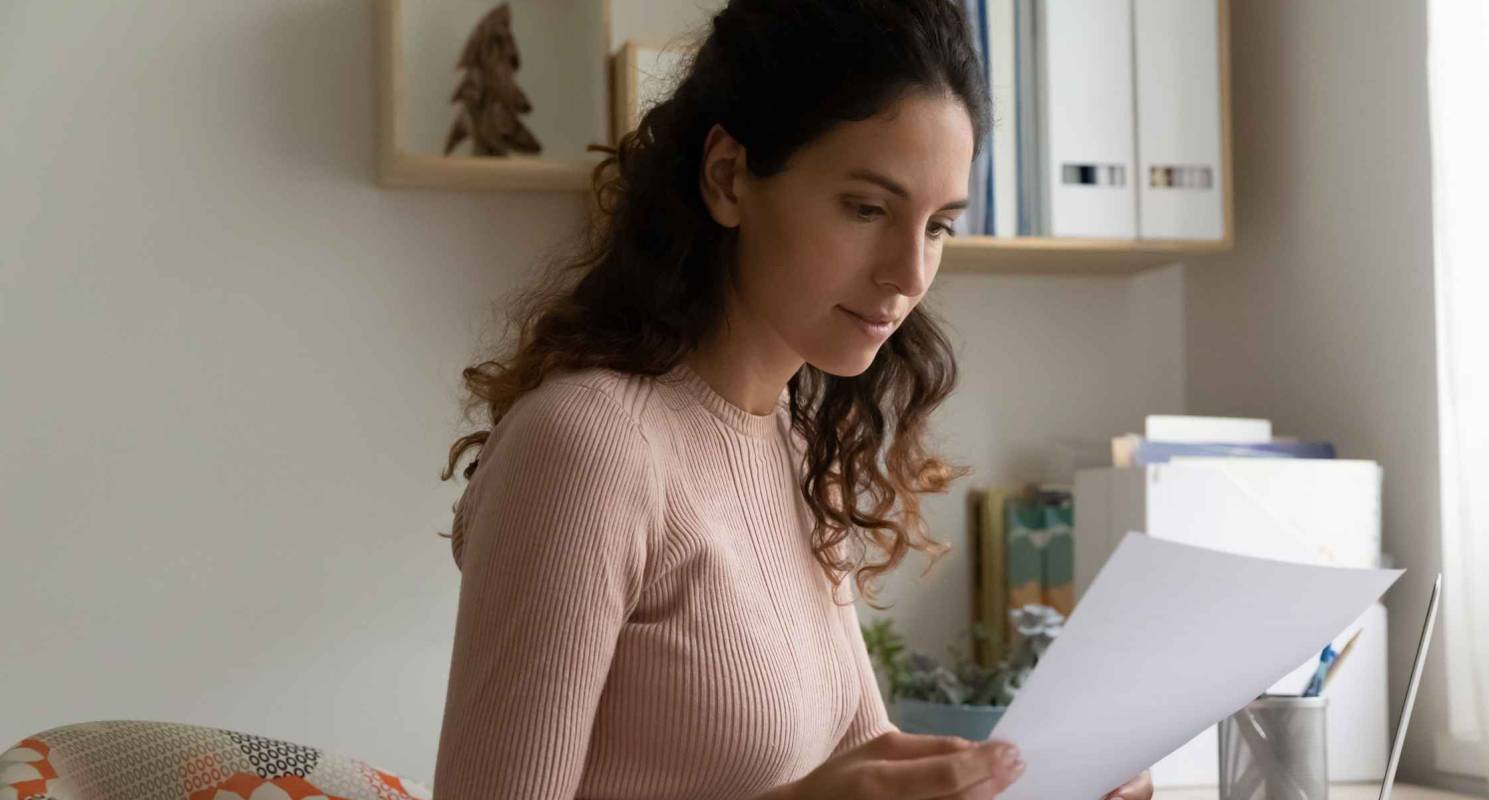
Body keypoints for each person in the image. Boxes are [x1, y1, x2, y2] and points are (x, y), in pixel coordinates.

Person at [430, 1, 1154, 798]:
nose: (909, 273)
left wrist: (1030, 781)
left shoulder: (800, 444)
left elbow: (859, 757)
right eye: (867, 209)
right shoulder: (585, 449)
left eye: (939, 226)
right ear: (728, 177)